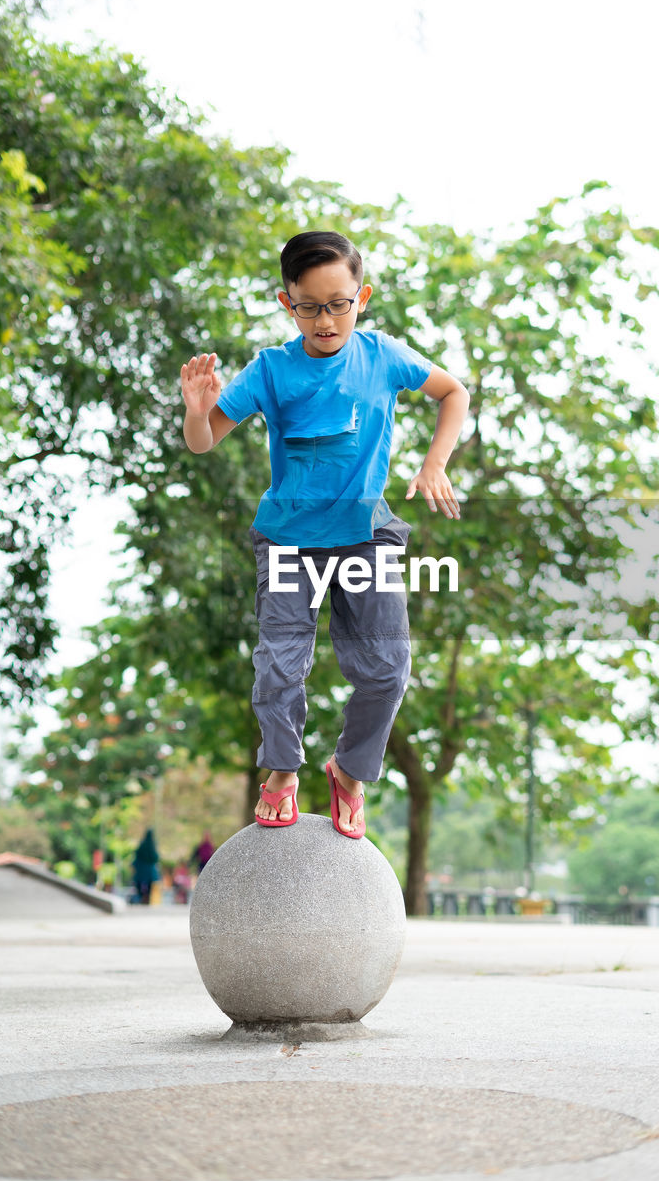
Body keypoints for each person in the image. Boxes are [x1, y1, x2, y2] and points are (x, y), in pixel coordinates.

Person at [180, 231, 469, 838]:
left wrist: (435, 463)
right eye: (309, 305)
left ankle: (351, 771)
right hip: (288, 539)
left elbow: (453, 393)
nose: (325, 318)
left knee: (386, 669)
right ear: (288, 304)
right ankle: (282, 771)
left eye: (338, 303)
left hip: (366, 534)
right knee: (280, 667)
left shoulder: (382, 355)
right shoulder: (270, 369)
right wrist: (194, 410)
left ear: (360, 298)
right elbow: (204, 441)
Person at [131, 828, 160, 905]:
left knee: (140, 884)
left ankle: (142, 897)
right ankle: (147, 898)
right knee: (149, 885)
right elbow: (156, 857)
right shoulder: (153, 845)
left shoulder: (142, 844)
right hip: (149, 871)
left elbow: (136, 854)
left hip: (141, 870)